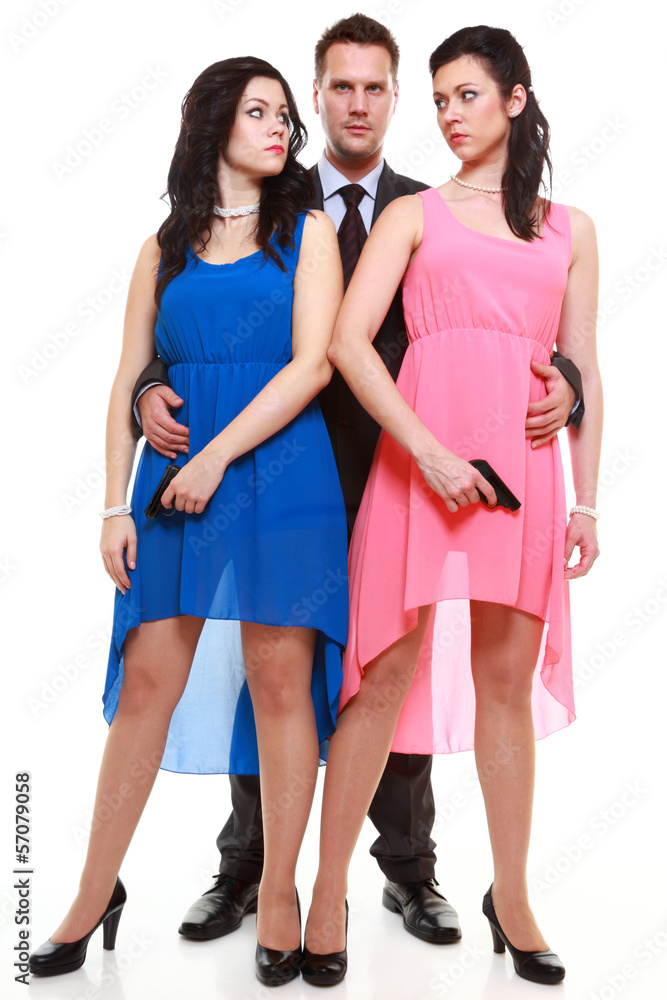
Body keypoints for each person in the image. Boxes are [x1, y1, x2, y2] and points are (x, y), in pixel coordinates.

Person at [131, 14, 585, 955]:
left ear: (392, 98)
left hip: (407, 470)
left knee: (390, 674)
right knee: (275, 673)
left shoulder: (429, 203)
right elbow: (192, 298)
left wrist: (569, 384)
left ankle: (408, 869)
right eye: (340, 86)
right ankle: (252, 867)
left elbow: (525, 323)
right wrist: (150, 384)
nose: (358, 104)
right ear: (318, 94)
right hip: (278, 469)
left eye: (376, 87)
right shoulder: (265, 190)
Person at [29, 56, 349, 987]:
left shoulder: (308, 232)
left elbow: (312, 366)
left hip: (280, 474)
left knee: (279, 684)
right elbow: (128, 375)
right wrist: (111, 502)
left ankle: (279, 893)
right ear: (211, 124)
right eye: (259, 112)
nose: (280, 127)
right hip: (167, 487)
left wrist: (214, 456)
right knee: (145, 684)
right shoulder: (161, 246)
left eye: (285, 114)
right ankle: (93, 893)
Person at [300, 24, 602, 987]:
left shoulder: (571, 229)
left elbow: (583, 365)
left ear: (514, 99)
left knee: (503, 687)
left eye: (466, 95)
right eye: (436, 100)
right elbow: (348, 342)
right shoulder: (413, 215)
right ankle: (326, 892)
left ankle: (510, 897)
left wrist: (588, 500)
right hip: (418, 464)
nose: (447, 115)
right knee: (380, 681)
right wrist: (426, 452)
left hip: (523, 476)